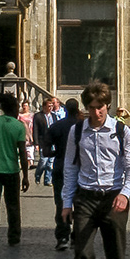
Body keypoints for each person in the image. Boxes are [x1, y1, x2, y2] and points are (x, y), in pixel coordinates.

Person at [60, 82, 130, 259]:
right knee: (82, 254)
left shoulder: (121, 130)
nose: (96, 113)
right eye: (92, 108)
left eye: (101, 107)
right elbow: (71, 168)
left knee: (115, 256)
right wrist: (66, 202)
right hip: (85, 198)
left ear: (108, 106)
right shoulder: (77, 132)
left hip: (113, 198)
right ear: (86, 108)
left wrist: (125, 195)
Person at [0, 93, 31, 248]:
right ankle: (14, 236)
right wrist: (25, 176)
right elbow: (22, 153)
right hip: (11, 171)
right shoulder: (18, 126)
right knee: (13, 206)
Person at [48, 98, 80, 247]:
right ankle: (77, 236)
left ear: (65, 109)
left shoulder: (56, 127)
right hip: (80, 168)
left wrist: (57, 153)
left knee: (61, 202)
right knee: (80, 203)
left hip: (60, 166)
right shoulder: (83, 127)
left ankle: (62, 236)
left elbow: (46, 150)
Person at [32, 98, 59, 186]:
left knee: (50, 163)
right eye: (49, 106)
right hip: (43, 141)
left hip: (53, 142)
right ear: (44, 106)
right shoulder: (38, 116)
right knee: (43, 161)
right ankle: (38, 175)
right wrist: (36, 143)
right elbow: (35, 129)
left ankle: (48, 180)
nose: (50, 108)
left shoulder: (54, 116)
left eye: (52, 106)